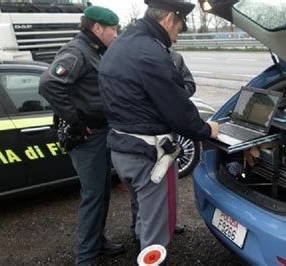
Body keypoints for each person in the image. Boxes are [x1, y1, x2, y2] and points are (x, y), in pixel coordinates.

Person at [98, 0, 219, 253]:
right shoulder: (150, 53)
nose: (175, 39)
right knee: (157, 234)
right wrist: (206, 130)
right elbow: (177, 109)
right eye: (178, 30)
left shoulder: (122, 44)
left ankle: (141, 242)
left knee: (144, 213)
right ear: (168, 20)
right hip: (149, 156)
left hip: (122, 148)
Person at [38, 6, 124, 265]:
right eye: (113, 30)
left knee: (102, 192)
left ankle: (98, 242)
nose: (116, 34)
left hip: (100, 132)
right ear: (98, 29)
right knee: (94, 196)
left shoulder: (95, 49)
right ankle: (85, 257)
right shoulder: (77, 51)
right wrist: (75, 121)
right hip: (88, 137)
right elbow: (48, 84)